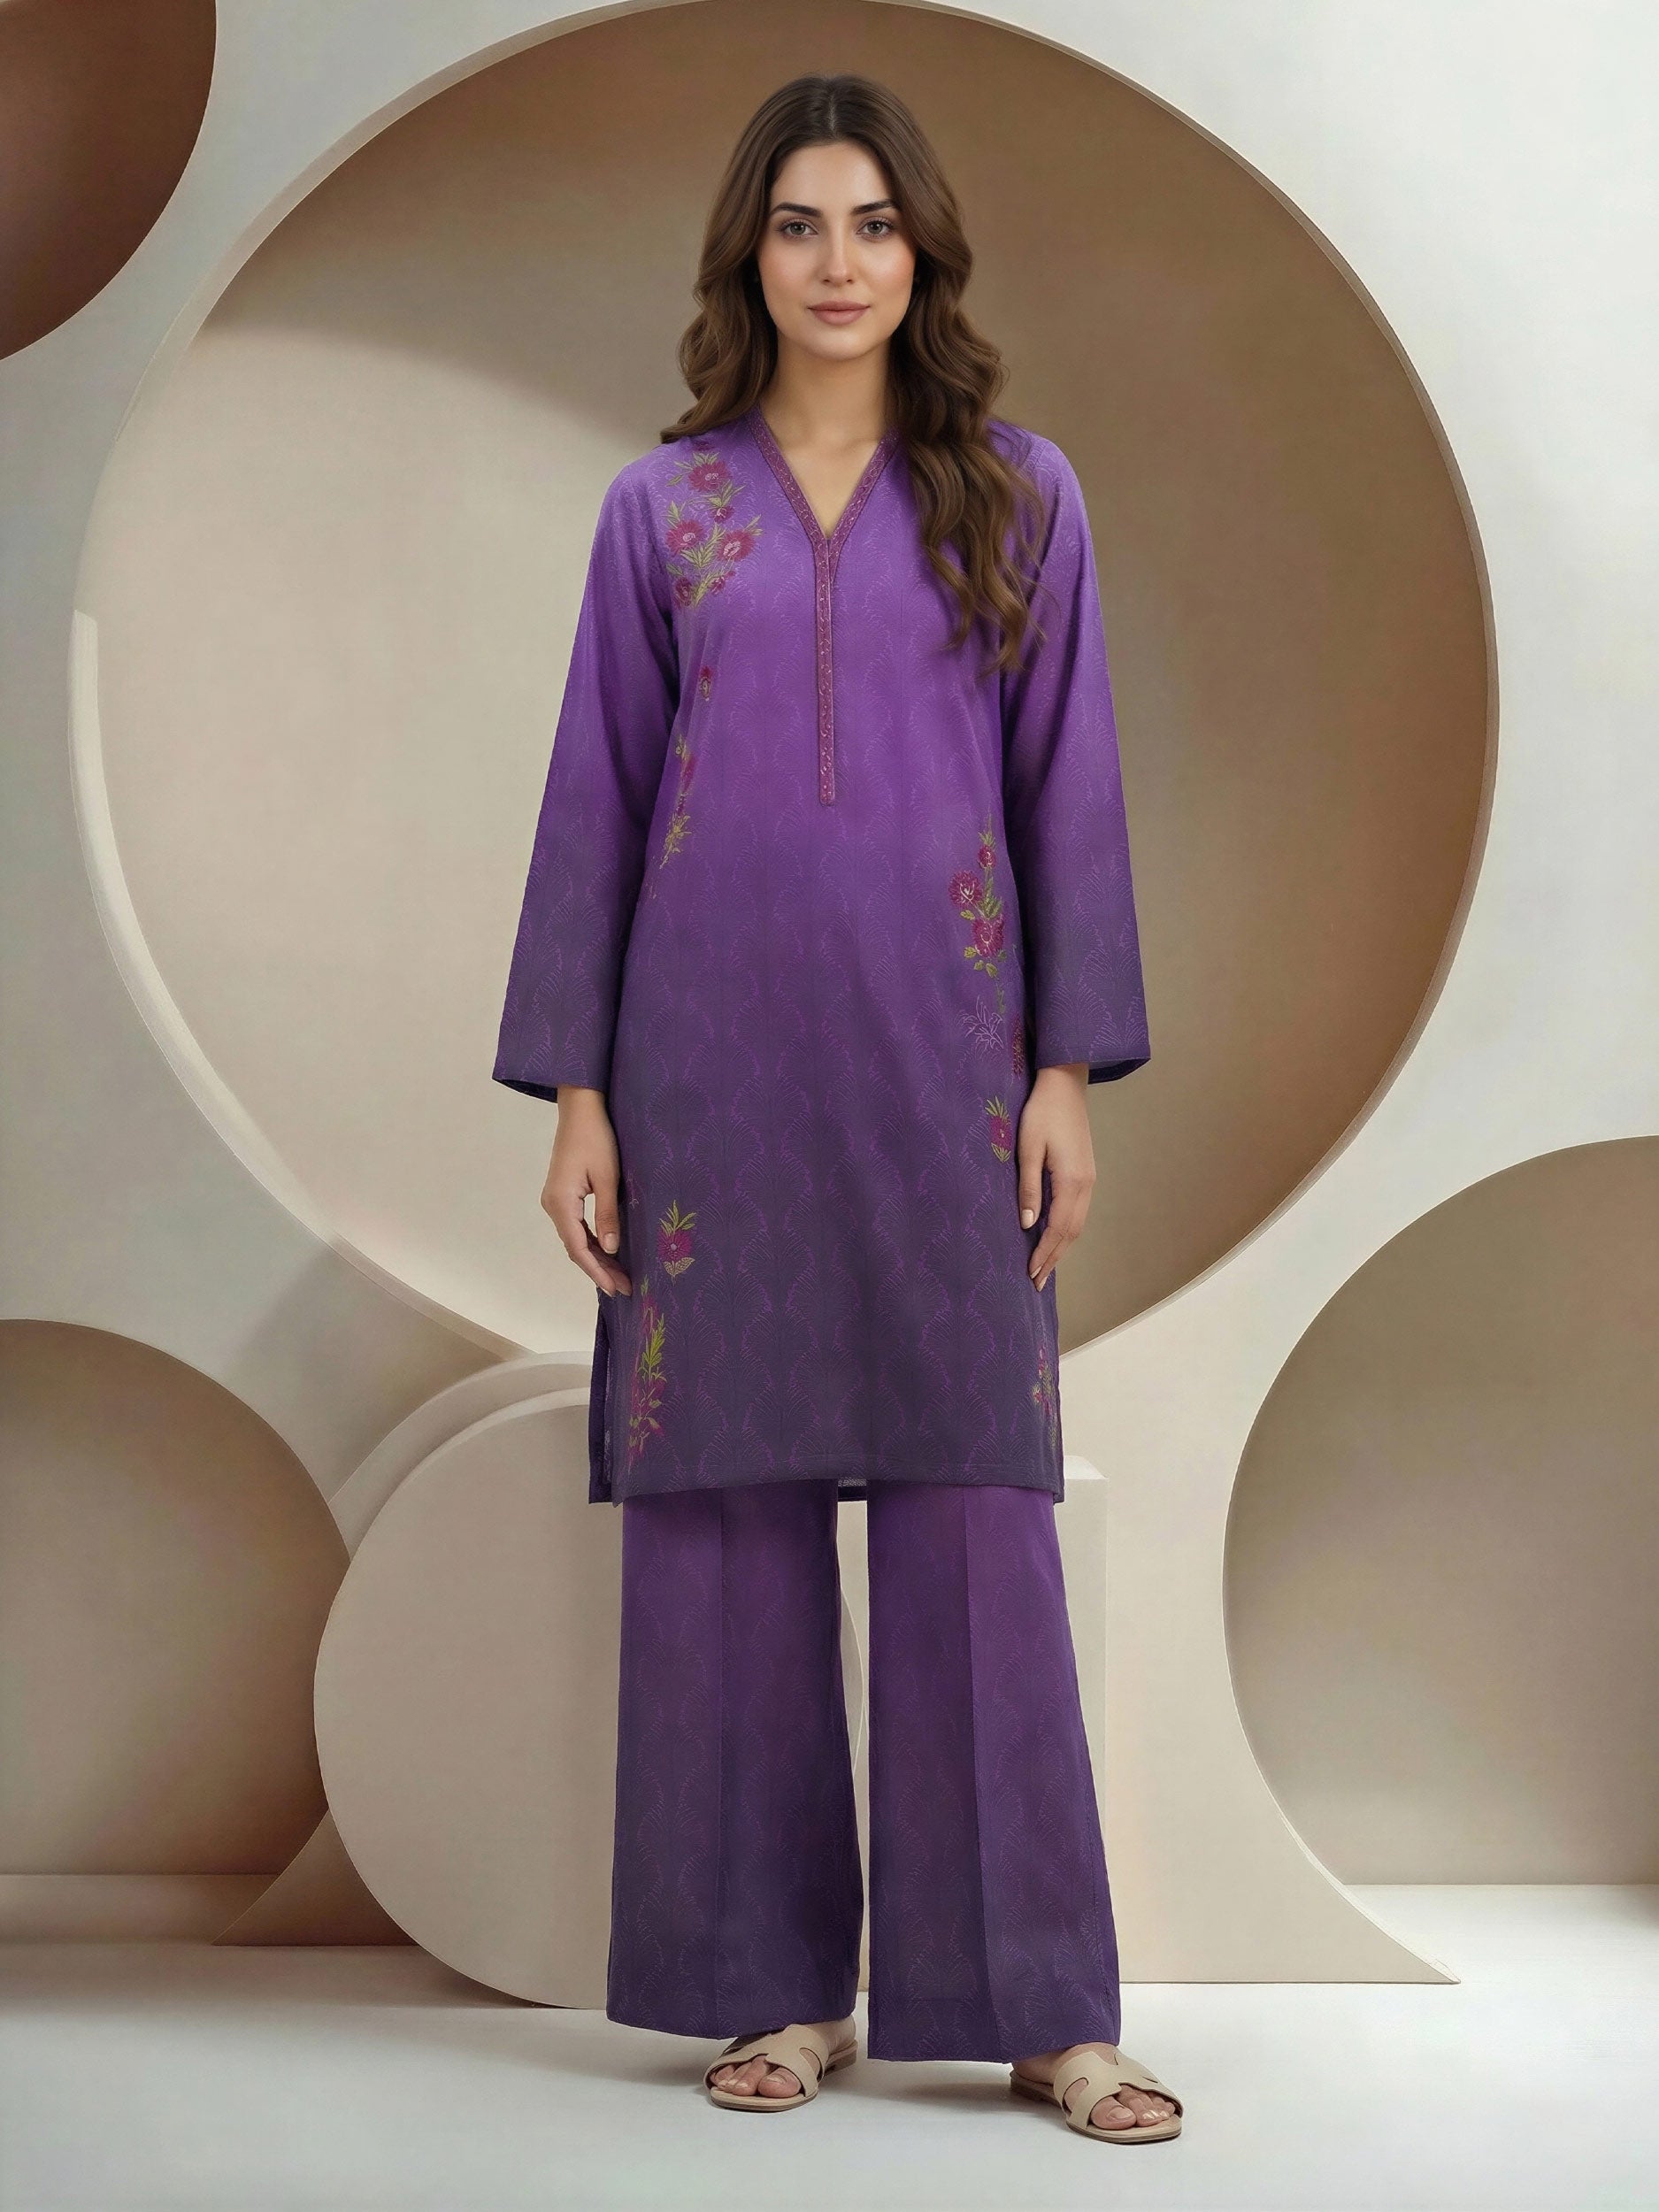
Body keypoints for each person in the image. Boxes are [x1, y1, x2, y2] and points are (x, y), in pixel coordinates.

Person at [492, 73, 1180, 2145]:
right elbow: (594, 800)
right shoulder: (661, 512)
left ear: (920, 253)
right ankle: (774, 1985)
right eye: (797, 223)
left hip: (946, 1072)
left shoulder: (1017, 497)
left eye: (871, 223)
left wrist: (1062, 1070)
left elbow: (1069, 794)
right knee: (723, 1520)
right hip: (703, 1084)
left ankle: (1039, 2006)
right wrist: (578, 1093)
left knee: (977, 1513)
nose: (836, 261)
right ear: (749, 256)